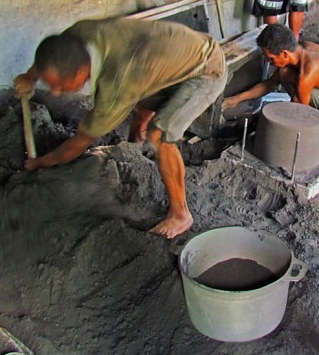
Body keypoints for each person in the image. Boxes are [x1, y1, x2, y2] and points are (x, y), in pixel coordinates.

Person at [14, 17, 227, 239]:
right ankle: (135, 142)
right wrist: (29, 78)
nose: (55, 92)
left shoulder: (117, 84)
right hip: (169, 57)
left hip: (206, 69)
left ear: (79, 75)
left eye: (59, 86)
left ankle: (181, 214)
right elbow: (49, 57)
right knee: (140, 97)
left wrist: (42, 162)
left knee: (159, 135)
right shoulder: (77, 36)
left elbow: (81, 140)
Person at [222, 24, 319, 138]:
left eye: (270, 58)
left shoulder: (308, 72)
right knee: (285, 74)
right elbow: (270, 84)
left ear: (284, 53)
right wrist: (236, 99)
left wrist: (259, 119)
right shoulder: (303, 48)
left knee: (287, 76)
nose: (269, 62)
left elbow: (296, 112)